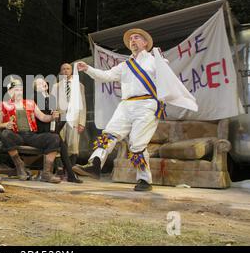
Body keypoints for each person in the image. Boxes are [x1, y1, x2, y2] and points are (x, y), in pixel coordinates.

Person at [74, 28, 197, 191]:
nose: (133, 40)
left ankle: (145, 181)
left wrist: (161, 62)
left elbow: (167, 80)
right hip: (125, 105)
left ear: (145, 43)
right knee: (109, 133)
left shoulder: (155, 61)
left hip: (147, 105)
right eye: (131, 39)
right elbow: (106, 76)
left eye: (137, 37)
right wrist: (88, 69)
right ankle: (95, 165)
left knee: (137, 145)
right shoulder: (124, 66)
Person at [0, 78, 61, 183]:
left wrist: (52, 117)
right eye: (16, 90)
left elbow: (43, 117)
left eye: (20, 90)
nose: (19, 92)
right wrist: (6, 124)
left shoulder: (30, 103)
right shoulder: (3, 105)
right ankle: (20, 165)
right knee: (6, 134)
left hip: (31, 135)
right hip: (16, 135)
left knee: (54, 138)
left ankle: (46, 173)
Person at [33, 77, 83, 183]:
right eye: (39, 84)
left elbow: (53, 113)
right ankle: (70, 174)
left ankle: (70, 174)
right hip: (43, 128)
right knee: (62, 145)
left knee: (63, 142)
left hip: (52, 127)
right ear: (36, 89)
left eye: (43, 82)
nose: (43, 84)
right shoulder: (36, 98)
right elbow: (42, 116)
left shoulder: (51, 97)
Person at [51, 63, 86, 166]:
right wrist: (53, 118)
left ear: (71, 71)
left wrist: (82, 122)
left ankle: (70, 170)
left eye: (68, 69)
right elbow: (52, 104)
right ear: (61, 72)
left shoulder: (79, 86)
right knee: (58, 143)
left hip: (74, 118)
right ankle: (60, 170)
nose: (66, 71)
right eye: (63, 69)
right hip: (60, 118)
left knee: (73, 145)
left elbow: (83, 104)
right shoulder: (56, 86)